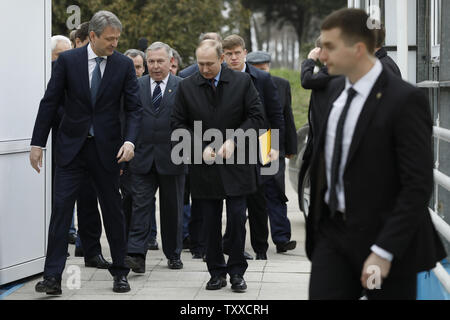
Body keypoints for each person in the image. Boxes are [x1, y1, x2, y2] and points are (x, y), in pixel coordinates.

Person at [306, 8, 446, 300]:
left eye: (330, 47)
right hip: (334, 237)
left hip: (385, 242)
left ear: (358, 49)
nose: (321, 54)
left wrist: (384, 251)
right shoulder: (334, 90)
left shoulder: (405, 100)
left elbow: (417, 184)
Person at [30, 10, 143, 295]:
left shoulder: (123, 66)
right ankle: (53, 277)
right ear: (92, 36)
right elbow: (50, 101)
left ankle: (120, 272)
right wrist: (37, 143)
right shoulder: (68, 61)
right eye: (109, 39)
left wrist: (130, 141)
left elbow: (134, 109)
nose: (114, 44)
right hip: (71, 151)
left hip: (108, 152)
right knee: (60, 213)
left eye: (117, 38)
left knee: (113, 213)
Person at [171, 39, 264, 292]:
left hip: (237, 163)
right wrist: (198, 147)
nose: (204, 69)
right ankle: (216, 272)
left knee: (236, 219)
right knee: (209, 222)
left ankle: (236, 272)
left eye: (209, 64)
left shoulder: (242, 83)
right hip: (205, 165)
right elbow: (178, 124)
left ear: (221, 59)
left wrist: (235, 140)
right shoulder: (187, 86)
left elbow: (257, 117)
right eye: (200, 64)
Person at [222, 35, 293, 261]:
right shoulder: (219, 77)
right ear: (223, 55)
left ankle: (260, 248)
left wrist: (274, 146)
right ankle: (233, 245)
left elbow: (275, 115)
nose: (233, 57)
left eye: (237, 53)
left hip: (261, 144)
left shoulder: (261, 78)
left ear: (245, 52)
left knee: (259, 199)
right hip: (229, 146)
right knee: (234, 201)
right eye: (229, 54)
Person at [125, 42, 186, 272]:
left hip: (173, 158)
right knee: (140, 206)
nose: (155, 66)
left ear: (171, 62)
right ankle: (136, 255)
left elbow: (190, 122)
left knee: (172, 209)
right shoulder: (136, 86)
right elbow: (128, 117)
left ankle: (173, 253)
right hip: (142, 158)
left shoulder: (183, 87)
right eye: (151, 61)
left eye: (160, 61)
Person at [246, 50, 298, 255]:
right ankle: (247, 238)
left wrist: (290, 148)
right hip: (247, 142)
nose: (261, 73)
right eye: (257, 69)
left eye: (264, 69)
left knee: (275, 191)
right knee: (249, 192)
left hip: (270, 143)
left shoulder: (281, 84)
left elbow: (286, 116)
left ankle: (281, 238)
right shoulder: (242, 82)